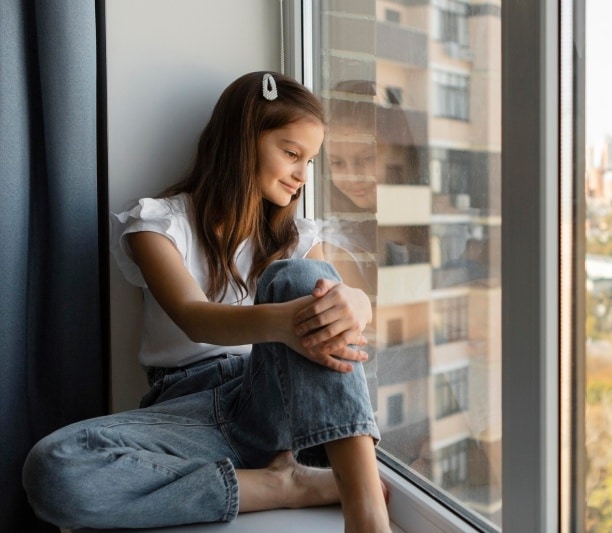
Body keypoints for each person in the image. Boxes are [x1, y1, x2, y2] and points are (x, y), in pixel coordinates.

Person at [22, 71, 391, 533]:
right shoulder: (157, 225)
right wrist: (283, 322)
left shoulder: (296, 238)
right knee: (55, 468)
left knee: (300, 277)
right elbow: (195, 318)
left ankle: (367, 515)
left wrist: (358, 302)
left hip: (271, 398)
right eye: (291, 154)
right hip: (188, 412)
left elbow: (330, 301)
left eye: (310, 161)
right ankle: (282, 486)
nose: (301, 175)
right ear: (242, 142)